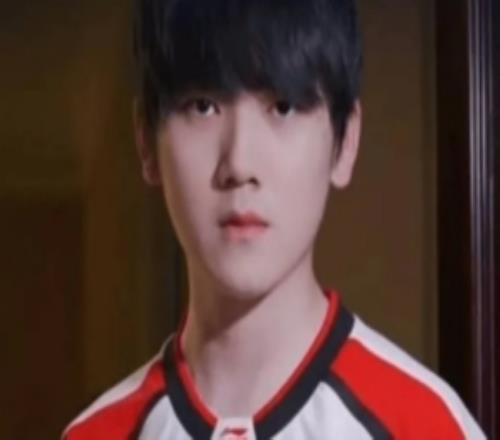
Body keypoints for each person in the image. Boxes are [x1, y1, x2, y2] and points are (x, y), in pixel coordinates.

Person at [63, 0, 486, 438]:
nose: (240, 163)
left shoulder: (426, 425)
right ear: (146, 142)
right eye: (203, 106)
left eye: (283, 106)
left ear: (346, 141)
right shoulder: (98, 433)